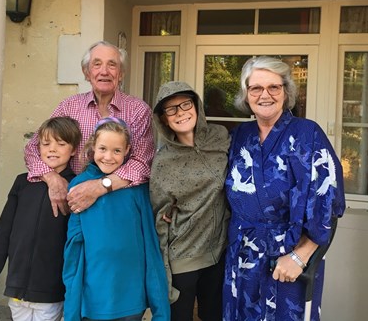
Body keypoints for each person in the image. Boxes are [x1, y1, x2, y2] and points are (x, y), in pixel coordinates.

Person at [222, 56, 346, 321]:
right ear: (246, 95)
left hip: (288, 260)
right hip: (241, 258)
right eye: (256, 88)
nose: (264, 95)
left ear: (286, 91)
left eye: (273, 87)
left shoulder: (307, 133)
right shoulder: (238, 136)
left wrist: (300, 257)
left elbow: (329, 201)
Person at [24, 41, 155, 217]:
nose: (104, 71)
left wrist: (99, 187)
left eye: (112, 65)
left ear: (121, 73)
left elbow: (142, 163)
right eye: (97, 64)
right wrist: (53, 179)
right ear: (87, 73)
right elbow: (33, 148)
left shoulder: (138, 110)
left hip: (116, 207)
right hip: (71, 202)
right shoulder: (69, 107)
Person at [0, 117, 82, 321]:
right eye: (46, 143)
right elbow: (3, 236)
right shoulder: (22, 183)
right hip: (16, 289)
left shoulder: (77, 187)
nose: (52, 149)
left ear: (74, 150)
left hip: (51, 291)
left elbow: (77, 246)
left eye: (61, 144)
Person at [62, 117, 169, 321]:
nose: (108, 157)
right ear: (93, 146)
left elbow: (150, 246)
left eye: (117, 150)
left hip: (131, 300)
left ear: (127, 150)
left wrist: (160, 311)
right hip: (93, 299)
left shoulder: (136, 188)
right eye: (102, 148)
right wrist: (71, 313)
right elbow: (73, 253)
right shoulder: (79, 187)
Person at [150, 81, 230, 321]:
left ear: (196, 106)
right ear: (163, 119)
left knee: (214, 316)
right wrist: (163, 273)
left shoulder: (220, 137)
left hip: (220, 249)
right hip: (184, 254)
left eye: (185, 104)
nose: (181, 112)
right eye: (171, 109)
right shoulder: (163, 162)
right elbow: (159, 216)